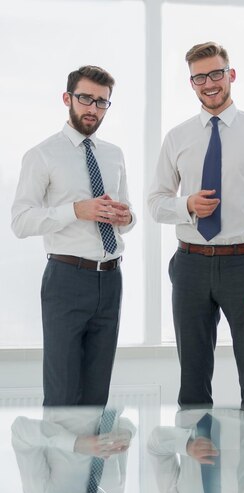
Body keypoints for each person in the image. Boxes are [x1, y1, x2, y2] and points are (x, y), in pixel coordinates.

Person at [148, 42, 244, 410]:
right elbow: (156, 203)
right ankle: (195, 464)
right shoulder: (177, 137)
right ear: (191, 82)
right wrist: (187, 205)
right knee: (192, 376)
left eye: (216, 74)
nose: (209, 83)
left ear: (231, 75)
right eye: (199, 77)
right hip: (190, 263)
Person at [11, 65, 135, 407]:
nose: (93, 108)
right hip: (66, 278)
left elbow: (124, 216)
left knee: (97, 394)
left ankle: (93, 463)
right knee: (63, 392)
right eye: (85, 99)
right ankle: (62, 460)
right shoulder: (42, 155)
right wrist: (75, 210)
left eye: (101, 102)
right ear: (68, 99)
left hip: (111, 279)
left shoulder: (114, 155)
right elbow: (20, 222)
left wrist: (127, 217)